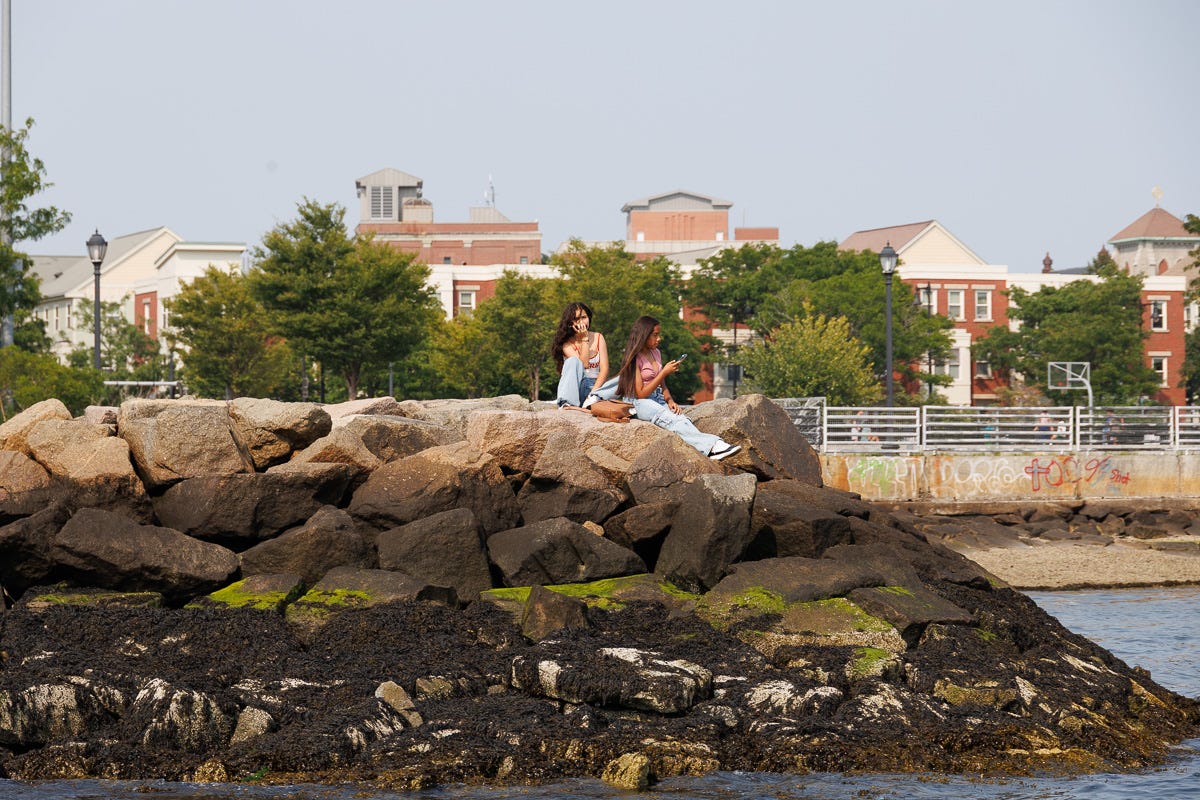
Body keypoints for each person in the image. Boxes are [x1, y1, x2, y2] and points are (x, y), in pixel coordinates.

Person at [615, 315, 741, 460]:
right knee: (669, 419)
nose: (659, 339)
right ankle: (713, 446)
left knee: (682, 419)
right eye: (655, 335)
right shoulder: (634, 358)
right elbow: (641, 394)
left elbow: (662, 384)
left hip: (657, 398)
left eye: (658, 334)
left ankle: (710, 448)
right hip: (638, 402)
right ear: (644, 335)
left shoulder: (656, 352)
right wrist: (664, 372)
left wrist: (670, 400)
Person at [553, 302, 618, 408]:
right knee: (573, 361)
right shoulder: (567, 344)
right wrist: (584, 339)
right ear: (570, 323)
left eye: (584, 317)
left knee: (624, 378)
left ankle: (594, 399)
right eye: (576, 319)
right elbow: (584, 364)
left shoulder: (598, 337)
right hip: (577, 387)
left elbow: (604, 369)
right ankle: (567, 402)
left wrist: (593, 393)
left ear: (589, 318)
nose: (581, 322)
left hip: (596, 387)